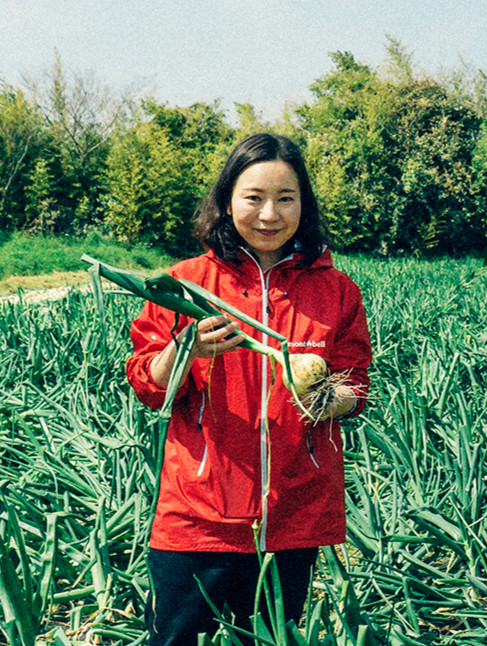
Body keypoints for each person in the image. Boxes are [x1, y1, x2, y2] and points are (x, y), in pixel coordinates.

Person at [126, 133, 372, 645]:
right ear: (227, 201)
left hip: (293, 513)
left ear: (304, 204)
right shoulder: (184, 285)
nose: (269, 214)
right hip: (198, 515)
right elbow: (147, 382)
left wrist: (327, 395)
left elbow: (357, 385)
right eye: (253, 197)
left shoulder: (337, 290)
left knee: (267, 638)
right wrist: (186, 349)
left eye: (286, 198)